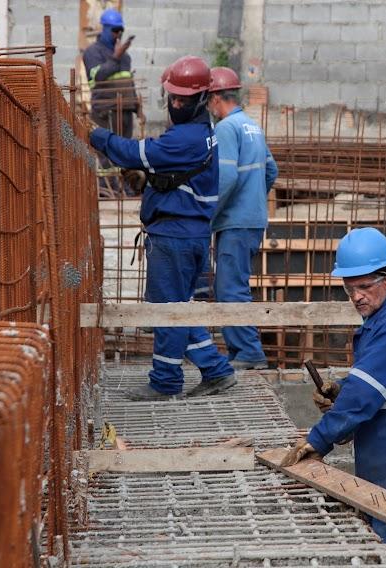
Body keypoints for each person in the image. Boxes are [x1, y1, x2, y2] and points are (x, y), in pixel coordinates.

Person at [280, 228, 386, 564]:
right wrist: (343, 387)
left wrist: (318, 439)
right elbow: (378, 380)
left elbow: (365, 396)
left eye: (365, 286)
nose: (357, 296)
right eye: (350, 289)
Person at [89, 55, 236, 401]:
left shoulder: (184, 138)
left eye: (183, 98)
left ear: (202, 99)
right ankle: (216, 370)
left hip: (175, 237)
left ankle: (165, 381)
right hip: (188, 234)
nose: (176, 103)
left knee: (165, 310)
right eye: (172, 97)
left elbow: (132, 151)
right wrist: (154, 180)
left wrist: (96, 134)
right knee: (179, 307)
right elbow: (173, 170)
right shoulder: (202, 134)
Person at [207, 67, 278, 370]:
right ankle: (240, 351)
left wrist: (207, 214)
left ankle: (249, 352)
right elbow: (271, 170)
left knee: (229, 289)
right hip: (252, 219)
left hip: (235, 221)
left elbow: (225, 177)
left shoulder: (225, 128)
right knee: (235, 284)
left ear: (214, 98)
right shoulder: (252, 126)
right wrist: (254, 200)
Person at [82, 8, 139, 139]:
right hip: (105, 111)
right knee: (106, 154)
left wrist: (137, 107)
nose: (118, 34)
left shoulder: (125, 56)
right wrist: (116, 57)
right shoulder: (93, 52)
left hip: (125, 112)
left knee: (124, 154)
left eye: (121, 30)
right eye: (115, 30)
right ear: (105, 29)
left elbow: (129, 82)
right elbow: (97, 76)